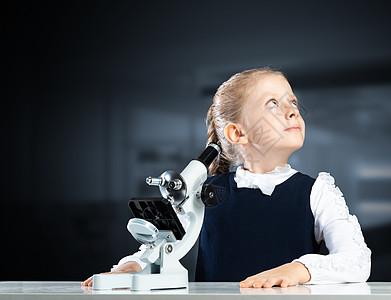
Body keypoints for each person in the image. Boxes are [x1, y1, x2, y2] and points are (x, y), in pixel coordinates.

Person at [82, 67, 371, 288]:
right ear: (237, 133)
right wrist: (134, 266)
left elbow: (357, 260)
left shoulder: (318, 192)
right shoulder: (203, 193)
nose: (292, 110)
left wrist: (298, 270)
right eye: (273, 103)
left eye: (292, 101)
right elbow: (161, 247)